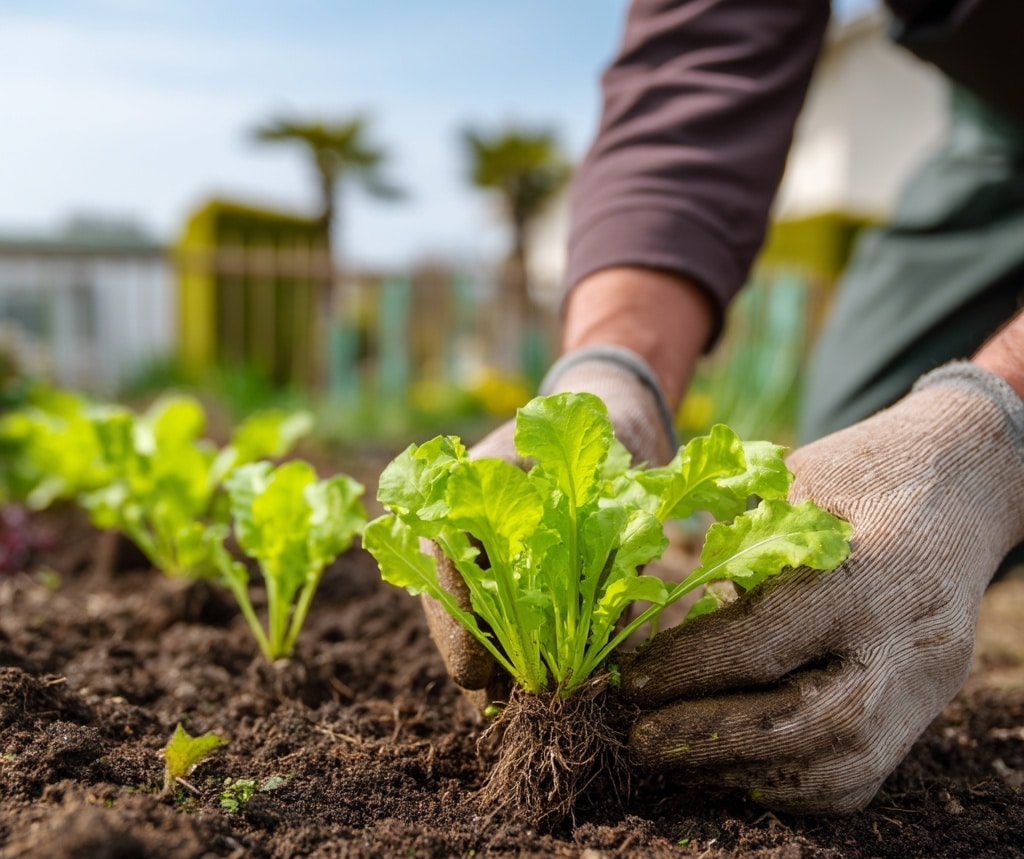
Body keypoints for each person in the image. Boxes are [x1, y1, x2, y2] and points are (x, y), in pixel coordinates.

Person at [427, 0, 1024, 814]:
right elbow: (702, 51)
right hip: (1005, 119)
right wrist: (613, 369)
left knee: (939, 483)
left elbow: (979, 441)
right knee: (848, 494)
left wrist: (989, 438)